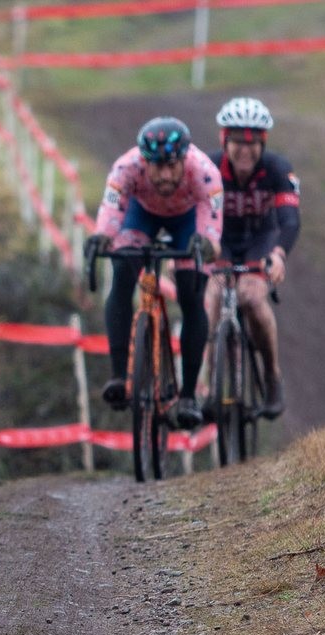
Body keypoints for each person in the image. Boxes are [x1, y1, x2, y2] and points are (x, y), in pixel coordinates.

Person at [84, 115, 223, 429]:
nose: (163, 174)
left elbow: (212, 231)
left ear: (184, 160)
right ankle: (120, 376)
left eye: (171, 165)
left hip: (190, 219)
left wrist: (206, 247)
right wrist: (101, 237)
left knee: (191, 291)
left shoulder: (204, 173)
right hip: (141, 214)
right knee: (122, 272)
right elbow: (111, 210)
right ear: (143, 162)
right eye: (155, 166)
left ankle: (188, 396)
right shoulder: (125, 168)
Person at [205, 97, 300, 420]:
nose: (244, 150)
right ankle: (208, 384)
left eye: (252, 143)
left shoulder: (278, 169)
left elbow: (289, 220)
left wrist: (278, 254)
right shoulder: (209, 167)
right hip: (221, 241)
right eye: (236, 142)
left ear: (262, 143)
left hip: (261, 239)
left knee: (251, 297)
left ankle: (272, 378)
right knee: (212, 298)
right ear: (224, 141)